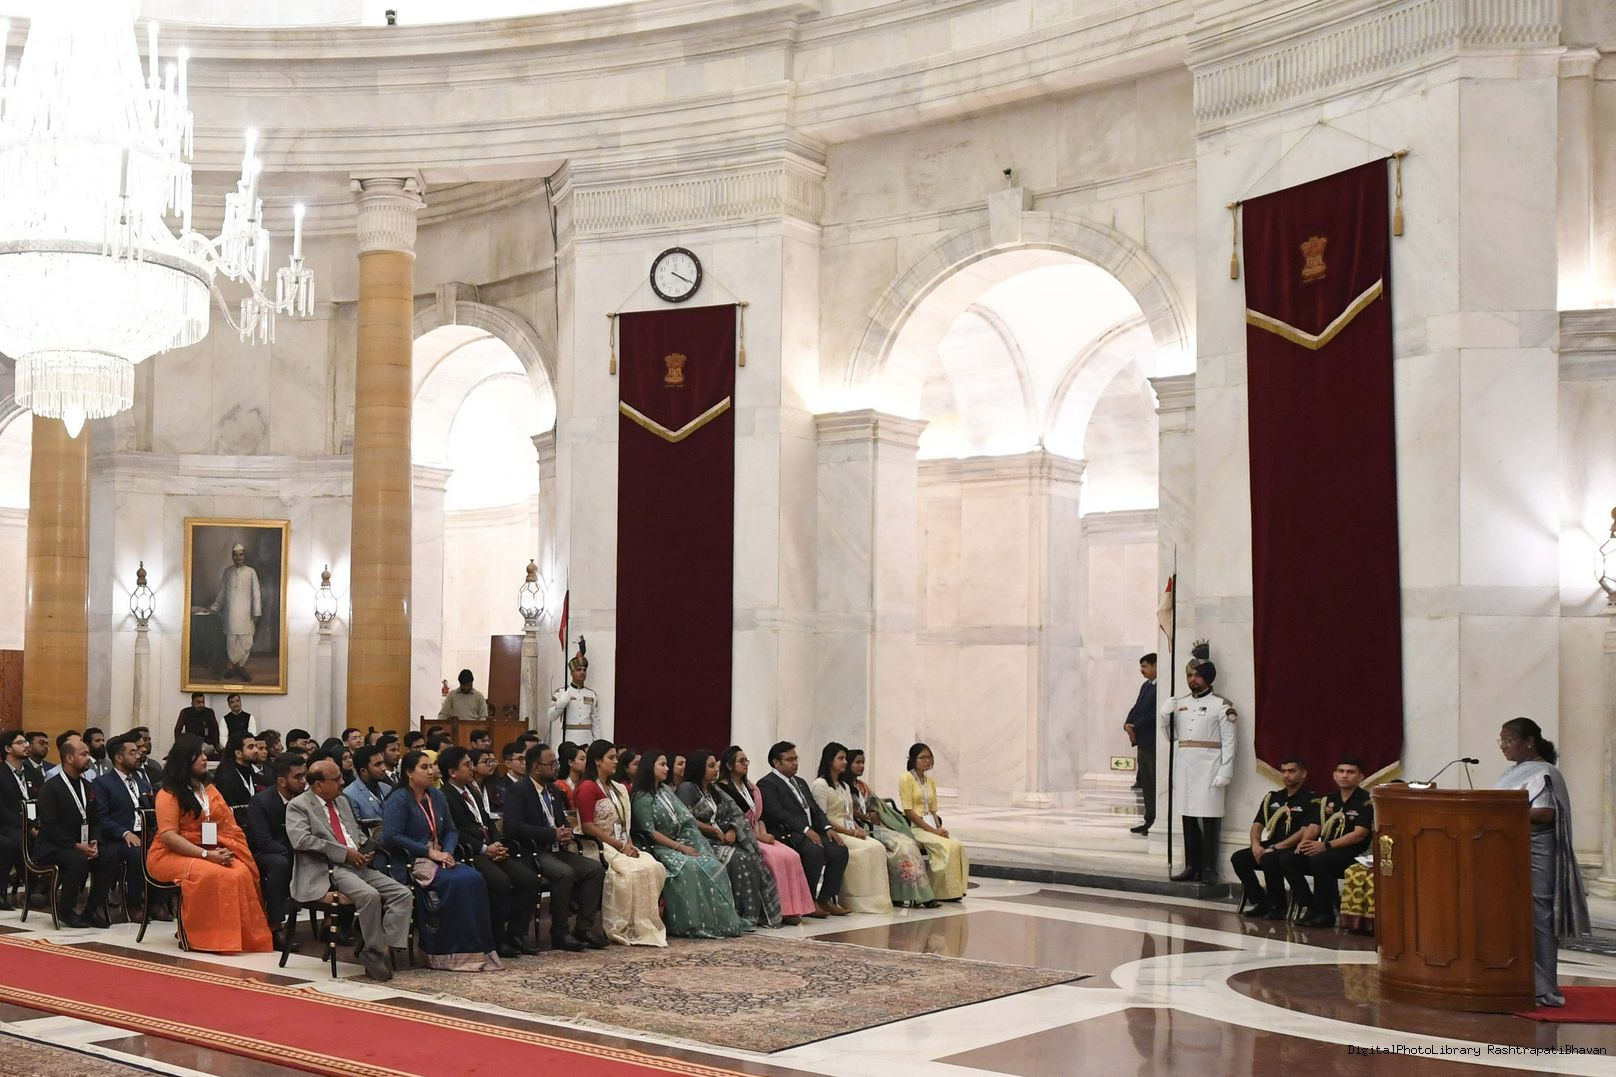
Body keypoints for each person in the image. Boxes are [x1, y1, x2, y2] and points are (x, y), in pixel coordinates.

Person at [286, 759, 413, 982]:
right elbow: (301, 840)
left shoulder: (342, 800)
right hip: (329, 868)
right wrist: (344, 853)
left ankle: (382, 949)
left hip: (357, 864)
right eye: (336, 779)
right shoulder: (298, 805)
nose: (342, 782)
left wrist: (365, 849)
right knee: (369, 896)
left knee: (402, 893)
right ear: (318, 785)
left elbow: (354, 832)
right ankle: (373, 951)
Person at [147, 735, 274, 953]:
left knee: (241, 871)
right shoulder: (167, 793)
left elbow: (226, 824)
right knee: (214, 874)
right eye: (199, 755)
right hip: (169, 855)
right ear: (185, 760)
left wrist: (222, 849)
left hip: (211, 849)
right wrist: (206, 855)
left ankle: (234, 936)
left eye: (205, 754)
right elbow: (169, 836)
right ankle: (202, 937)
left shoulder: (209, 789)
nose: (205, 758)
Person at [1496, 717, 1591, 1008]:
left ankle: (1545, 988)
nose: (1503, 746)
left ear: (1529, 742)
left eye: (1508, 740)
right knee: (1515, 916)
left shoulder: (1544, 772)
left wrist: (1497, 815)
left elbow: (1544, 813)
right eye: (1501, 741)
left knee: (1539, 918)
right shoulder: (1513, 772)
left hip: (1537, 853)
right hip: (1511, 851)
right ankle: (1521, 980)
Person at [382, 750, 502, 971]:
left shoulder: (436, 796)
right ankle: (444, 952)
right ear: (409, 773)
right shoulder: (398, 799)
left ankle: (476, 951)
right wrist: (429, 852)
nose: (431, 771)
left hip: (442, 856)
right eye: (424, 767)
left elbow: (451, 830)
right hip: (412, 860)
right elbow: (391, 836)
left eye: (431, 766)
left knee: (474, 878)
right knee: (456, 882)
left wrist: (447, 851)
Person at [631, 750, 751, 939]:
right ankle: (693, 923)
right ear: (649, 767)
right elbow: (650, 832)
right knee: (691, 868)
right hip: (660, 847)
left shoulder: (665, 791)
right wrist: (680, 847)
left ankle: (718, 920)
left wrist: (694, 839)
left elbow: (686, 818)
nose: (666, 768)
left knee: (714, 865)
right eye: (662, 764)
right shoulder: (642, 797)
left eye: (666, 764)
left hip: (681, 840)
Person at [503, 743, 607, 951]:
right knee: (564, 873)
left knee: (595, 869)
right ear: (536, 767)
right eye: (550, 764)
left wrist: (566, 831)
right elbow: (513, 827)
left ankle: (583, 927)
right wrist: (551, 834)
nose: (555, 768)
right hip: (533, 850)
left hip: (557, 849)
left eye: (556, 763)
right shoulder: (518, 790)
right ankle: (560, 932)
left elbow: (559, 819)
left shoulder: (552, 789)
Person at [440, 746, 541, 958]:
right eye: (467, 765)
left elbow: (487, 821)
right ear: (452, 772)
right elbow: (456, 831)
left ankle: (517, 934)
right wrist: (485, 848)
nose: (471, 768)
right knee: (500, 882)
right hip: (470, 853)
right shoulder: (445, 796)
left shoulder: (472, 791)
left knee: (529, 879)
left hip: (491, 848)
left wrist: (496, 843)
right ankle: (497, 938)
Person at [573, 739, 667, 946]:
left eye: (616, 757)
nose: (616, 761)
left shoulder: (616, 788)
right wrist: (619, 846)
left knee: (653, 866)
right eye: (611, 758)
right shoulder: (587, 787)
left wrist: (629, 845)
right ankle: (621, 926)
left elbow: (625, 823)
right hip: (598, 845)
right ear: (597, 761)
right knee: (629, 872)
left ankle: (640, 924)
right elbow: (588, 826)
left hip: (622, 843)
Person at [678, 749, 781, 928]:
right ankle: (736, 914)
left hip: (721, 840)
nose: (715, 769)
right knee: (738, 859)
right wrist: (711, 830)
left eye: (715, 765)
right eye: (711, 766)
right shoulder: (687, 788)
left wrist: (733, 830)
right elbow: (685, 818)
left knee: (751, 858)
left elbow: (735, 815)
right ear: (699, 768)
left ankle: (752, 915)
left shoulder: (715, 790)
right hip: (700, 840)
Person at [716, 745, 816, 923]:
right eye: (741, 761)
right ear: (729, 765)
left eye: (747, 760)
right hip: (742, 837)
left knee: (791, 855)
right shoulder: (722, 789)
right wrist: (758, 837)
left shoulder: (751, 788)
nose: (746, 764)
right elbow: (731, 821)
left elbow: (760, 817)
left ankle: (796, 909)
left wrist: (763, 833)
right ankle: (779, 911)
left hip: (759, 834)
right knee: (774, 858)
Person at [1161, 650, 1237, 882]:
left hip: (1210, 767)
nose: (1192, 679)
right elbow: (1172, 736)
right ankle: (1191, 865)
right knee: (1188, 817)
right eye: (1189, 675)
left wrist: (1226, 770)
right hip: (1185, 768)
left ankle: (1209, 868)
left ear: (1207, 678)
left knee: (1210, 817)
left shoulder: (1221, 705)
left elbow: (1229, 741)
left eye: (1196, 675)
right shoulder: (1181, 704)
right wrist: (1164, 717)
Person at [35, 733, 121, 927]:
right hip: (52, 846)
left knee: (109, 856)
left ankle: (92, 909)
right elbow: (50, 826)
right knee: (77, 860)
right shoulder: (51, 788)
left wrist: (94, 841)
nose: (88, 758)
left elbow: (96, 819)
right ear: (68, 758)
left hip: (82, 844)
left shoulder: (88, 786)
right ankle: (66, 910)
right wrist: (76, 846)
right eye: (83, 754)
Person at [759, 741, 849, 917]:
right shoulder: (767, 784)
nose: (795, 763)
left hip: (810, 830)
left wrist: (827, 827)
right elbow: (778, 813)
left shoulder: (799, 782)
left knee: (839, 849)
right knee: (814, 851)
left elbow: (815, 809)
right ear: (776, 763)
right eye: (789, 760)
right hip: (788, 832)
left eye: (796, 759)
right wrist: (805, 829)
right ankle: (808, 900)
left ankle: (826, 898)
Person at [1285, 758, 1373, 928]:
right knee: (1289, 859)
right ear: (1334, 775)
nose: (1344, 776)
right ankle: (1311, 906)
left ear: (1361, 777)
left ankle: (1325, 914)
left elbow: (1359, 834)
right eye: (1341, 771)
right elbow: (1314, 825)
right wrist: (1304, 842)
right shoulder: (1327, 800)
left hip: (1352, 853)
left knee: (1320, 860)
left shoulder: (1366, 801)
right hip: (1326, 849)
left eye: (1350, 772)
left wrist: (1326, 846)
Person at [94, 733, 170, 922]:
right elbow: (102, 818)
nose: (138, 755)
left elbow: (150, 810)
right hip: (119, 837)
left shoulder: (142, 782)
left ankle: (157, 901)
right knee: (138, 853)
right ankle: (134, 903)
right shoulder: (103, 783)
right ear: (119, 757)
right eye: (132, 752)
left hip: (145, 833)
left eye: (137, 752)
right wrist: (124, 832)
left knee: (165, 848)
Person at [810, 743, 893, 915]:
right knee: (868, 849)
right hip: (833, 831)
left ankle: (877, 900)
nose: (845, 762)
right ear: (830, 760)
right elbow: (820, 817)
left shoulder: (844, 786)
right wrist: (849, 832)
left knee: (878, 847)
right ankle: (856, 900)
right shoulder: (820, 785)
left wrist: (858, 829)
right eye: (840, 758)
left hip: (849, 830)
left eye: (845, 759)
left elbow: (849, 815)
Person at [846, 749, 934, 908]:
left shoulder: (862, 786)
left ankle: (920, 893)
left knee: (908, 843)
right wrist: (865, 816)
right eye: (857, 762)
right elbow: (846, 810)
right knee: (900, 848)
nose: (861, 766)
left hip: (874, 826)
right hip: (858, 827)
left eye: (863, 762)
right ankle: (901, 893)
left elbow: (877, 805)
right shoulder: (843, 786)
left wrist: (875, 812)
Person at [1230, 756, 1313, 919]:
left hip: (1294, 846)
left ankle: (1279, 905)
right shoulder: (1273, 797)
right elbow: (1257, 825)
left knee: (1270, 858)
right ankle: (1262, 900)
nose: (1286, 775)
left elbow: (1305, 831)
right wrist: (1256, 846)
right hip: (1272, 844)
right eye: (1284, 771)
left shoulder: (1311, 799)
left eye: (1292, 771)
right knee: (1239, 858)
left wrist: (1275, 848)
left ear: (1303, 774)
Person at [245, 752, 305, 946]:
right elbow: (263, 841)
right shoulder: (261, 801)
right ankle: (275, 926)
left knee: (325, 856)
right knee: (280, 864)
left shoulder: (304, 800)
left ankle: (333, 922)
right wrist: (294, 852)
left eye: (304, 775)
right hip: (265, 853)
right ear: (281, 781)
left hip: (295, 849)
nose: (303, 781)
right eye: (298, 777)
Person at [899, 743, 970, 901]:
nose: (927, 761)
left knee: (956, 844)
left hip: (931, 826)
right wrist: (932, 831)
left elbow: (933, 811)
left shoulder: (930, 781)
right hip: (916, 828)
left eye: (929, 757)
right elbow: (909, 811)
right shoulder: (906, 778)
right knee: (947, 847)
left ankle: (956, 890)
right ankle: (939, 891)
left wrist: (940, 828)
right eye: (922, 757)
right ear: (913, 759)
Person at [201, 542, 263, 681]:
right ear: (232, 556)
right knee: (231, 642)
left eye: (240, 555)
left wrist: (257, 612)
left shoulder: (251, 572)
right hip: (231, 614)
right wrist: (214, 608)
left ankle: (237, 666)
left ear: (244, 556)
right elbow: (222, 593)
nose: (238, 558)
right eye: (235, 555)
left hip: (246, 614)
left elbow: (256, 593)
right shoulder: (227, 572)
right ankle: (236, 668)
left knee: (246, 642)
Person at [0, 729, 40, 910]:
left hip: (33, 823)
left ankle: (43, 884)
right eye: (20, 743)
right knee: (16, 841)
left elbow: (41, 802)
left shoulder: (34, 774)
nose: (26, 746)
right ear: (8, 748)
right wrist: (28, 826)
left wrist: (37, 824)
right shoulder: (1, 774)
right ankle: (32, 883)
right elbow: (3, 810)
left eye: (26, 742)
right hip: (7, 825)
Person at [1125, 653, 1158, 834]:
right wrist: (1127, 724)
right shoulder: (1146, 686)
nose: (1142, 670)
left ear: (1155, 666)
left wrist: (1135, 727)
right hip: (1143, 742)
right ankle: (1148, 819)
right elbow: (1136, 708)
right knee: (1146, 782)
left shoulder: (1162, 686)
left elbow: (1155, 714)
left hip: (1153, 742)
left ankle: (1156, 820)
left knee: (1154, 782)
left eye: (1145, 666)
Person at [548, 653, 599, 743]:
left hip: (587, 740)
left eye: (584, 670)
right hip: (568, 739)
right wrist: (563, 701)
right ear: (571, 673)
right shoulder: (561, 692)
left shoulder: (591, 694)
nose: (582, 672)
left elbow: (595, 721)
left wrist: (597, 742)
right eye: (578, 670)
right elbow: (551, 716)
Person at [344, 745, 393, 826]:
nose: (384, 768)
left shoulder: (387, 788)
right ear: (363, 771)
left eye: (383, 763)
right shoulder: (349, 795)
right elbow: (356, 828)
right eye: (378, 765)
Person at [213, 732, 265, 807]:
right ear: (238, 753)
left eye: (256, 746)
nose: (256, 750)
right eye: (251, 747)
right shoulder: (225, 777)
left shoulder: (254, 773)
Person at [489, 741, 526, 813]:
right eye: (521, 759)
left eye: (526, 759)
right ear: (508, 763)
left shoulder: (528, 783)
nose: (525, 763)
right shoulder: (501, 787)